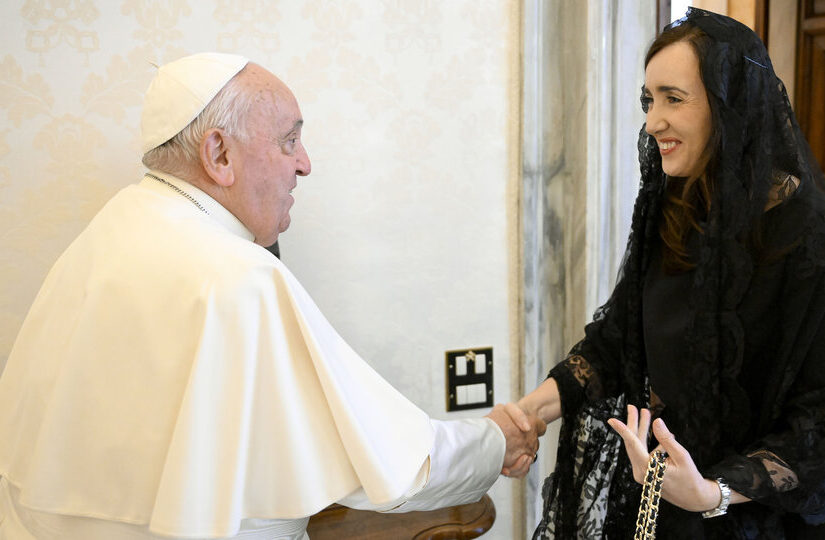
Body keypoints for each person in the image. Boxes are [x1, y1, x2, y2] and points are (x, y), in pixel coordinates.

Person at [0, 52, 544, 539]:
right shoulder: (237, 275)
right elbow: (393, 464)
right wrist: (498, 441)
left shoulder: (113, 225)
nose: (305, 163)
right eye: (289, 141)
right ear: (219, 154)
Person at [515, 8, 825, 539]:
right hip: (670, 498)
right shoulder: (676, 208)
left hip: (770, 518)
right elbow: (617, 341)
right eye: (649, 99)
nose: (653, 120)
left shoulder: (813, 241)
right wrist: (529, 413)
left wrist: (714, 491)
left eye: (673, 98)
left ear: (731, 106)